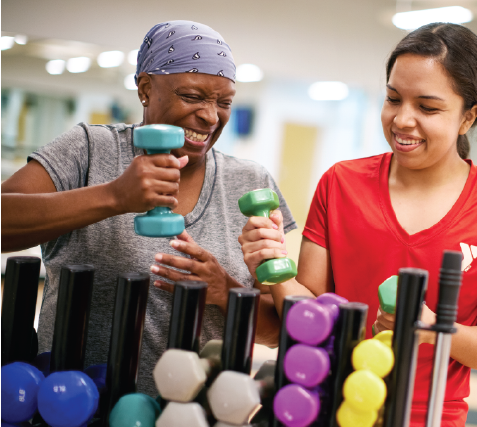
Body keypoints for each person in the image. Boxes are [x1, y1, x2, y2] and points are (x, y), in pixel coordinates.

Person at [239, 23, 477, 426]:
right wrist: (272, 264)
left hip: (429, 415)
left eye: (427, 108)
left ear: (469, 116)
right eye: (393, 99)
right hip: (328, 402)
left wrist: (436, 330)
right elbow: (311, 315)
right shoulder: (341, 184)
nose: (403, 120)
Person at [0, 21, 294, 396]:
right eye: (192, 96)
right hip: (74, 405)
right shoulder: (90, 150)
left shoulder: (250, 180)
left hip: (191, 414)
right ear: (144, 88)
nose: (210, 116)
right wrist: (115, 197)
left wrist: (225, 290)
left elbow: (273, 332)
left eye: (224, 102)